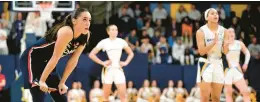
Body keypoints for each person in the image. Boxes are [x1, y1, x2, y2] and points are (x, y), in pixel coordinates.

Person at [19, 8, 91, 102]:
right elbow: (55, 57)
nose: (88, 23)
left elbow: (74, 60)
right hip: (31, 58)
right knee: (39, 97)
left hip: (48, 62)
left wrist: (62, 82)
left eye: (89, 20)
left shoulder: (86, 35)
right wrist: (42, 80)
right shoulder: (67, 31)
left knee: (61, 98)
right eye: (84, 19)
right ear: (74, 21)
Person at [89, 24, 134, 102]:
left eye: (116, 29)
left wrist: (126, 62)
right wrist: (102, 63)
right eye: (112, 30)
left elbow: (131, 53)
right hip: (108, 71)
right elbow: (91, 54)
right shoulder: (104, 42)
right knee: (105, 97)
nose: (115, 31)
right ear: (108, 31)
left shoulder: (121, 41)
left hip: (118, 70)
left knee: (123, 97)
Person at [196, 8, 228, 102]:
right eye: (212, 13)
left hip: (218, 63)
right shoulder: (201, 31)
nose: (215, 15)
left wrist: (227, 45)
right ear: (207, 17)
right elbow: (201, 52)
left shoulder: (224, 31)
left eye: (217, 13)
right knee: (205, 98)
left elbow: (225, 52)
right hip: (205, 63)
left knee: (216, 98)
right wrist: (213, 43)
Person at [224, 28, 251, 102]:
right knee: (228, 95)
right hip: (228, 71)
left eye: (233, 31)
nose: (232, 33)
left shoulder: (239, 43)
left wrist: (246, 63)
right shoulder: (224, 44)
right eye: (229, 32)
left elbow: (247, 53)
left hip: (236, 70)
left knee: (245, 92)